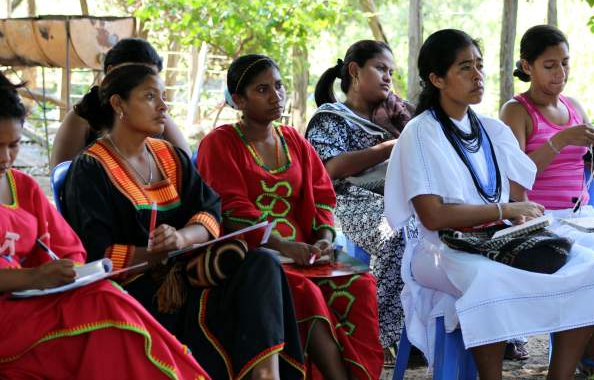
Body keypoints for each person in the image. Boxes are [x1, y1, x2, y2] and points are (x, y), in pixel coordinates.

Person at [384, 29, 594, 380]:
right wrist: (505, 211)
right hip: (437, 248)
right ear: (436, 78)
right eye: (465, 68)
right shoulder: (420, 132)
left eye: (480, 66)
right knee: (487, 279)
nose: (478, 76)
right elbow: (432, 215)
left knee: (589, 265)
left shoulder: (490, 129)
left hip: (496, 237)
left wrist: (521, 211)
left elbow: (518, 189)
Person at [62, 63, 304, 380]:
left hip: (189, 276)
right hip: (138, 291)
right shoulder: (90, 168)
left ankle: (266, 376)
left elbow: (209, 209)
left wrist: (181, 239)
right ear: (118, 104)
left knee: (261, 264)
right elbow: (95, 253)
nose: (163, 106)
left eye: (163, 96)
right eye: (150, 97)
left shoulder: (168, 155)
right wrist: (153, 254)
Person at [0, 69, 207, 379]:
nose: (5, 157)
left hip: (28, 306)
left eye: (14, 145)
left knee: (106, 302)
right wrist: (31, 278)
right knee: (104, 313)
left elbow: (71, 251)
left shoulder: (23, 187)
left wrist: (65, 272)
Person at [197, 54, 383, 380]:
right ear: (239, 100)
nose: (276, 96)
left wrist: (324, 239)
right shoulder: (220, 143)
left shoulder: (293, 139)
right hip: (256, 258)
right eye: (262, 89)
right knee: (305, 294)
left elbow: (322, 193)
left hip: (305, 253)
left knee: (361, 283)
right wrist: (284, 246)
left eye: (279, 86)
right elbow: (232, 209)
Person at [500, 24, 594, 377]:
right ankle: (589, 358)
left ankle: (590, 356)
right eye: (549, 65)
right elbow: (517, 181)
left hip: (583, 215)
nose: (560, 73)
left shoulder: (574, 106)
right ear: (527, 66)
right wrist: (559, 141)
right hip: (540, 219)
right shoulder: (516, 111)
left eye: (565, 63)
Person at [305, 40, 414, 359]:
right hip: (351, 202)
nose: (387, 77)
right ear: (354, 71)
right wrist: (387, 148)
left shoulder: (395, 115)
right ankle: (379, 335)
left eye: (391, 71)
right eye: (380, 68)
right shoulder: (331, 117)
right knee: (396, 233)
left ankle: (423, 331)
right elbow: (330, 167)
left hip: (402, 197)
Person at [50, 37, 190, 168]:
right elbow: (61, 177)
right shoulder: (83, 116)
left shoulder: (158, 114)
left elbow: (186, 164)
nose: (161, 105)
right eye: (137, 77)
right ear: (111, 72)